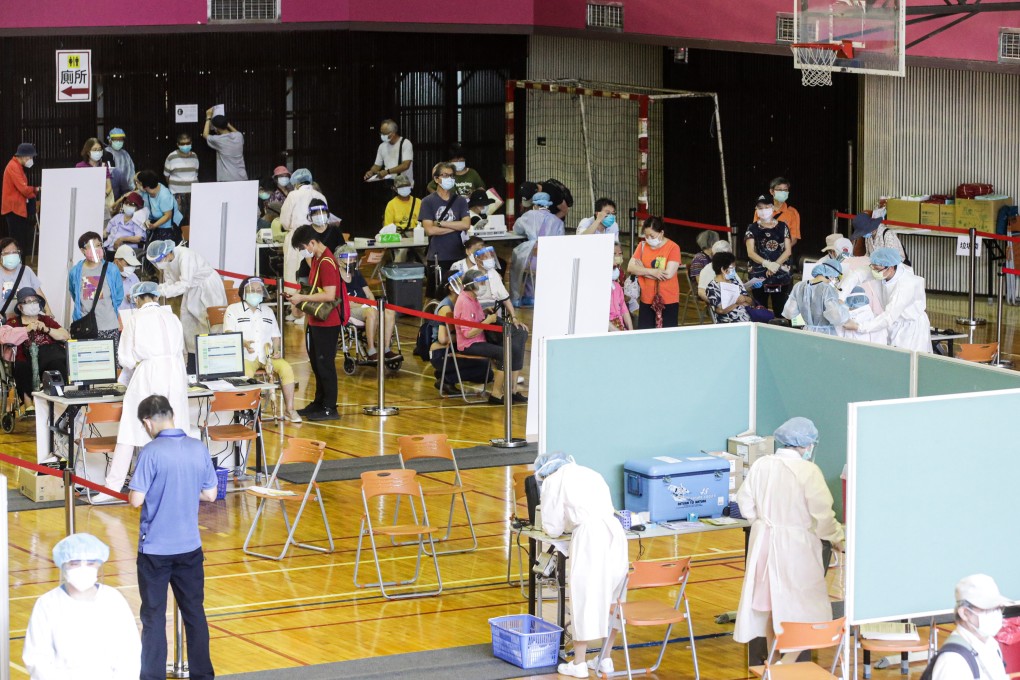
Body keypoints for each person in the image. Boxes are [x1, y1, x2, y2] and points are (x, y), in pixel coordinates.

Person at [734, 417, 844, 662]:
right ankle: (787, 663)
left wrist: (762, 522)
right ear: (807, 445)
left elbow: (744, 502)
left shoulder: (762, 464)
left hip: (764, 543)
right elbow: (822, 515)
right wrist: (837, 537)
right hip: (796, 547)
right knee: (802, 606)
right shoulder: (808, 471)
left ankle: (774, 660)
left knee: (770, 604)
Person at [129, 394, 218, 680]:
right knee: (194, 614)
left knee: (154, 617)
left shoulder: (150, 452)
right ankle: (202, 675)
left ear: (147, 422)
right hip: (190, 546)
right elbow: (210, 494)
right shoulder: (198, 448)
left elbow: (136, 499)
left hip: (155, 550)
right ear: (172, 415)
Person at [91, 281, 192, 504]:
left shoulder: (136, 319)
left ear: (137, 299)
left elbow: (125, 358)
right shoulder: (172, 318)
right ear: (156, 296)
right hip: (176, 375)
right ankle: (176, 484)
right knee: (174, 431)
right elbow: (181, 351)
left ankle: (113, 487)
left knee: (129, 431)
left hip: (148, 375)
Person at [534, 450, 629, 678]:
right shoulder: (591, 473)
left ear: (545, 472)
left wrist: (567, 525)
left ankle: (578, 663)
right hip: (615, 533)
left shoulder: (553, 481)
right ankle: (605, 658)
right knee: (613, 598)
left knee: (584, 598)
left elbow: (552, 527)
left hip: (589, 538)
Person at [22, 533, 140, 679]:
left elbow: (130, 653)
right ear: (63, 565)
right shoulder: (47, 604)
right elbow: (37, 658)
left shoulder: (113, 600)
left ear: (99, 564)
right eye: (75, 563)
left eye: (90, 563)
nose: (82, 568)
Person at [285, 224, 349, 421]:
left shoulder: (327, 262)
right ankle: (319, 401)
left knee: (325, 364)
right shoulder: (316, 260)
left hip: (327, 322)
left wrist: (302, 298)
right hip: (316, 319)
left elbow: (330, 294)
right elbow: (315, 288)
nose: (303, 251)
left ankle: (330, 406)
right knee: (316, 362)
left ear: (312, 243)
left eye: (303, 247)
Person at [223, 277, 302, 422]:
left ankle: (290, 410)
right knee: (246, 376)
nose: (256, 293)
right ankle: (248, 412)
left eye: (259, 290)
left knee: (286, 369)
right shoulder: (233, 309)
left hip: (267, 357)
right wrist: (243, 342)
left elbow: (276, 336)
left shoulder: (268, 311)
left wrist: (276, 350)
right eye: (252, 290)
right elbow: (228, 333)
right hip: (246, 356)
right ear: (243, 292)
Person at [147, 239, 227, 366]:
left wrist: (162, 292)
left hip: (207, 287)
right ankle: (193, 360)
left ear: (167, 253)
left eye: (158, 260)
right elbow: (171, 282)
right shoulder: (167, 262)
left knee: (210, 323)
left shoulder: (185, 256)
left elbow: (184, 284)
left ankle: (213, 361)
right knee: (187, 321)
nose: (157, 264)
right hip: (192, 288)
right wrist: (157, 289)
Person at [454, 269, 526, 404]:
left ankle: (512, 390)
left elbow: (474, 319)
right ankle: (496, 394)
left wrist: (484, 313)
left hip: (480, 338)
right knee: (503, 353)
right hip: (469, 344)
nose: (484, 286)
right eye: (481, 283)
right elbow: (468, 333)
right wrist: (487, 321)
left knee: (517, 337)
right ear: (471, 285)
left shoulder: (473, 298)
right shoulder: (464, 301)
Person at [843, 247, 933, 352]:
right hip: (894, 323)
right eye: (873, 267)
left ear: (890, 268)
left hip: (911, 329)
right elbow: (857, 274)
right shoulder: (883, 269)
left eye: (877, 269)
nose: (874, 271)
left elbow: (889, 316)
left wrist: (859, 327)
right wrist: (841, 296)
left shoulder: (905, 286)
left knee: (910, 358)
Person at [930, 574, 1013, 680]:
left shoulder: (991, 644)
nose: (995, 614)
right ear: (964, 613)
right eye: (987, 609)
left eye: (998, 608)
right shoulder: (953, 661)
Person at [4, 288, 69, 414]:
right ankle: (29, 405)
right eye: (28, 301)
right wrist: (26, 329)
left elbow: (65, 335)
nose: (32, 304)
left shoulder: (46, 320)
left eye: (34, 301)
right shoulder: (14, 322)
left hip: (49, 356)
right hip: (26, 358)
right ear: (20, 307)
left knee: (58, 363)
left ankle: (58, 402)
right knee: (21, 366)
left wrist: (47, 329)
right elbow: (4, 337)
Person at [427, 272, 491, 392]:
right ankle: (447, 379)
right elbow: (442, 339)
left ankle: (447, 374)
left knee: (487, 370)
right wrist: (464, 335)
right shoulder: (446, 307)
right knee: (484, 368)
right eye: (460, 282)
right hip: (441, 352)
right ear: (451, 288)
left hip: (455, 348)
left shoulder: (464, 301)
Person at [340, 249, 399, 363]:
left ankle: (386, 349)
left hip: (365, 306)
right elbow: (344, 302)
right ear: (339, 261)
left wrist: (373, 304)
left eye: (353, 260)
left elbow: (369, 294)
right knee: (371, 312)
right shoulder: (336, 277)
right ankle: (371, 350)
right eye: (349, 260)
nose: (352, 262)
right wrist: (366, 306)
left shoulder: (356, 274)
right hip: (351, 309)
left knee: (390, 312)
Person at [510, 189, 566, 307]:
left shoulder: (528, 215)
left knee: (519, 263)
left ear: (534, 204)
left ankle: (516, 298)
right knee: (533, 269)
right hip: (551, 261)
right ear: (548, 204)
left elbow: (517, 229)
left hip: (531, 260)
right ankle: (531, 296)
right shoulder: (558, 221)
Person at [423, 162, 471, 297]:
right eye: (445, 175)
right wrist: (456, 227)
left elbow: (466, 224)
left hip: (458, 254)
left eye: (451, 176)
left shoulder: (460, 201)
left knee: (459, 293)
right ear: (436, 179)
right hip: (438, 256)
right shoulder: (427, 201)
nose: (449, 178)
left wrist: (440, 223)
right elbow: (430, 230)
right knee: (435, 294)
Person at [68, 231, 123, 345]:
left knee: (110, 357)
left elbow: (118, 296)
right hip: (84, 327)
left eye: (98, 245)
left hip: (109, 326)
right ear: (83, 250)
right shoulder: (75, 272)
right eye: (91, 246)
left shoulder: (112, 269)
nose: (96, 249)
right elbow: (75, 294)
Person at [628, 215, 681, 329]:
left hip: (668, 299)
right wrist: (653, 272)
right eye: (646, 235)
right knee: (645, 332)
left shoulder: (673, 247)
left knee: (667, 333)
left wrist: (642, 270)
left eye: (652, 236)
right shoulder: (642, 246)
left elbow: (667, 274)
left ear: (661, 233)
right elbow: (631, 267)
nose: (648, 239)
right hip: (646, 298)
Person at [746, 194, 793, 316]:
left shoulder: (783, 226)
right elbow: (750, 252)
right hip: (759, 276)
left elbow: (788, 250)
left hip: (781, 275)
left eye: (766, 207)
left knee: (781, 310)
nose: (763, 211)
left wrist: (775, 265)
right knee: (760, 310)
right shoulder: (752, 228)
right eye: (760, 208)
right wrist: (767, 264)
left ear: (772, 208)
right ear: (756, 210)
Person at [782, 258, 848, 335]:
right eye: (836, 277)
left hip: (805, 332)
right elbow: (837, 318)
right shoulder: (828, 289)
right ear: (831, 275)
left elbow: (789, 313)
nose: (835, 280)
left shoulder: (799, 286)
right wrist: (842, 306)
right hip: (825, 335)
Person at [296, 199, 345, 287]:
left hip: (331, 272)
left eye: (322, 212)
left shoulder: (335, 230)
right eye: (316, 213)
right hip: (309, 273)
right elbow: (308, 257)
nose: (319, 215)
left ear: (327, 213)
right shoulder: (307, 232)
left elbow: (342, 251)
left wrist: (333, 271)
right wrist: (321, 274)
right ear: (310, 216)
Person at [2, 143, 39, 252]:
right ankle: (18, 261)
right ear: (22, 156)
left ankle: (19, 261)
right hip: (14, 209)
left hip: (17, 208)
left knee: (20, 240)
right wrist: (35, 190)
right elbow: (24, 189)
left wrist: (32, 192)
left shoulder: (16, 166)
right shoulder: (13, 167)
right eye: (30, 157)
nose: (31, 159)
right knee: (18, 241)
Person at [0, 237, 48, 317]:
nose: (11, 255)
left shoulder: (26, 270)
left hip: (25, 319)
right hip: (4, 320)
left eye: (14, 252)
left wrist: (48, 312)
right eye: (7, 253)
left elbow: (39, 293)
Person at [138, 169, 184, 244]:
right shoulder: (148, 191)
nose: (137, 185)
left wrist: (154, 226)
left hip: (168, 227)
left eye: (139, 183)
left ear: (146, 186)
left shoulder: (164, 195)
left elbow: (167, 216)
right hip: (156, 225)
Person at [706, 251, 754, 324]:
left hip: (747, 320)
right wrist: (737, 303)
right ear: (723, 269)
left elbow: (750, 302)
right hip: (729, 323)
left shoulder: (734, 281)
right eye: (732, 268)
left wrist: (745, 298)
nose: (734, 271)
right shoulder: (712, 288)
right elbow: (721, 310)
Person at [163, 132, 200, 226]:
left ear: (191, 143)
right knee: (178, 220)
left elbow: (196, 173)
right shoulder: (171, 157)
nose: (185, 146)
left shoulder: (194, 156)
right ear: (177, 144)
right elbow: (166, 175)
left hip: (193, 193)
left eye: (188, 143)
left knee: (193, 220)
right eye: (183, 144)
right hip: (177, 194)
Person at [202, 109, 248, 181]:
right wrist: (226, 123)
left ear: (216, 128)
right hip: (242, 177)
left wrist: (208, 117)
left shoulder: (219, 140)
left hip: (228, 179)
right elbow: (236, 132)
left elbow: (205, 135)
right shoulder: (239, 136)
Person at [754, 177, 800, 248]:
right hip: (763, 251)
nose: (783, 192)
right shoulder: (761, 210)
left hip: (783, 252)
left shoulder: (793, 212)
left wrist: (779, 251)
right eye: (779, 190)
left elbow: (794, 238)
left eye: (785, 190)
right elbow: (754, 233)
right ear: (771, 191)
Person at [364, 118, 413, 184]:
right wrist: (371, 172)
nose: (382, 136)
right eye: (381, 133)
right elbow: (377, 165)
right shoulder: (382, 146)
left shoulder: (405, 143)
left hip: (404, 183)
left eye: (384, 134)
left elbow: (405, 165)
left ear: (393, 133)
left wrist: (387, 172)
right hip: (388, 182)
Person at [103, 191, 147, 261]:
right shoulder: (118, 217)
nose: (128, 205)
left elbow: (138, 238)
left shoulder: (138, 221)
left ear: (138, 208)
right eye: (126, 202)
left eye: (132, 204)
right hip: (109, 249)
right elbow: (106, 232)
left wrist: (121, 239)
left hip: (125, 252)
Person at [76, 137, 114, 216]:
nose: (98, 152)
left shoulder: (104, 166)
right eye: (95, 149)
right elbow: (78, 186)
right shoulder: (80, 166)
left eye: (100, 149)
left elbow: (109, 186)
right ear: (88, 152)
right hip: (85, 204)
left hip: (102, 204)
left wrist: (103, 195)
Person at [105, 128, 136, 198]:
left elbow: (131, 172)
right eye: (116, 139)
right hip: (111, 191)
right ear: (110, 140)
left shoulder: (125, 154)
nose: (118, 142)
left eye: (121, 139)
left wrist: (132, 188)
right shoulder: (106, 153)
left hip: (126, 190)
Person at [113, 244, 142, 311]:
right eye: (128, 264)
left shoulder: (133, 277)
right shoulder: (106, 278)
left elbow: (141, 299)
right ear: (117, 262)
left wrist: (136, 299)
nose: (131, 267)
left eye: (133, 265)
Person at [608, 255, 633, 331]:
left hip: (620, 328)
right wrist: (619, 334)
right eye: (613, 267)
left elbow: (624, 310)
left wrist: (631, 331)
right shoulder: (597, 290)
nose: (616, 264)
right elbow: (600, 319)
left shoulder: (617, 286)